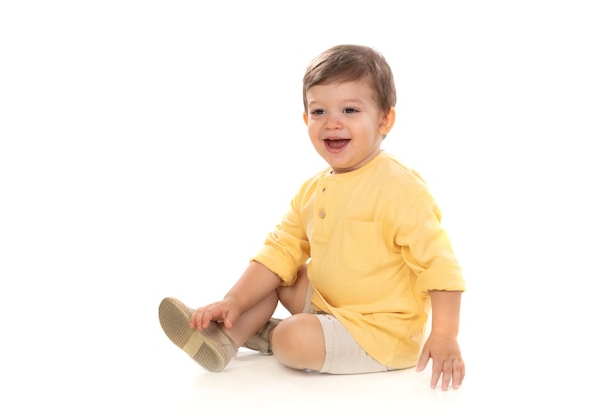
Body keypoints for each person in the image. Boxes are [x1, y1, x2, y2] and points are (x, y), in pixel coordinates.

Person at [158, 44, 466, 390]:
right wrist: (233, 300)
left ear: (384, 119)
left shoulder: (401, 189)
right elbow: (278, 251)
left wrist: (443, 334)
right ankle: (227, 338)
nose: (332, 122)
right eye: (319, 111)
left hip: (380, 333)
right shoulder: (312, 189)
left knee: (292, 340)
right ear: (306, 119)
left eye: (350, 109)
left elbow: (440, 267)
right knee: (278, 274)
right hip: (327, 305)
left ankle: (271, 333)